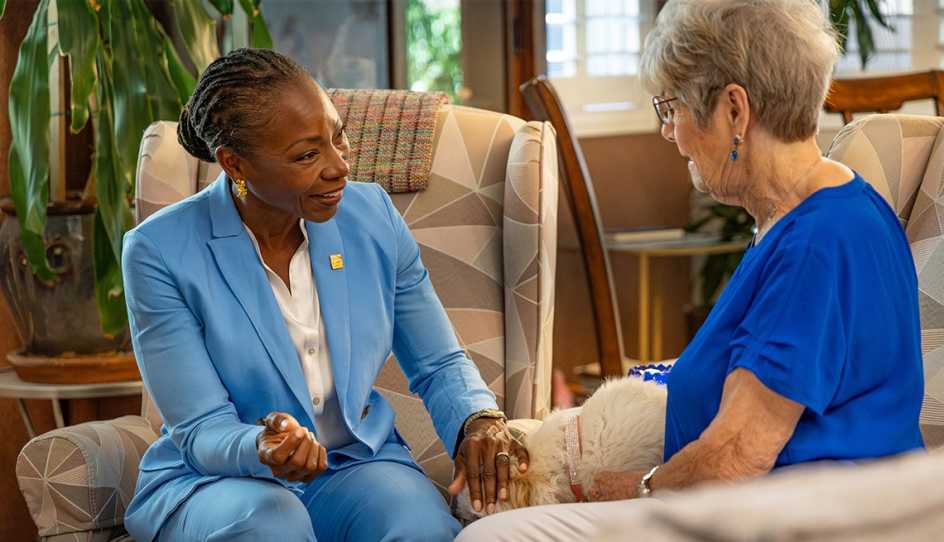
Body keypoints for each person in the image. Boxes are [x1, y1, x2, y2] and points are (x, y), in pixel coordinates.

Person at [458, 1, 924, 539]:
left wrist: (637, 487)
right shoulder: (820, 212)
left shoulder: (816, 244)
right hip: (773, 505)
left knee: (492, 536)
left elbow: (734, 460)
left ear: (734, 111)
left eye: (671, 107)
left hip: (793, 519)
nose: (667, 131)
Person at [121, 48, 527, 542]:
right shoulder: (159, 251)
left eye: (338, 138)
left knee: (417, 523)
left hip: (352, 466)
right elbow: (201, 427)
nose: (338, 167)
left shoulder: (372, 216)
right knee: (275, 522)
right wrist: (263, 447)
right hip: (220, 482)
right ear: (234, 163)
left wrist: (477, 420)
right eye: (307, 155)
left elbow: (438, 361)